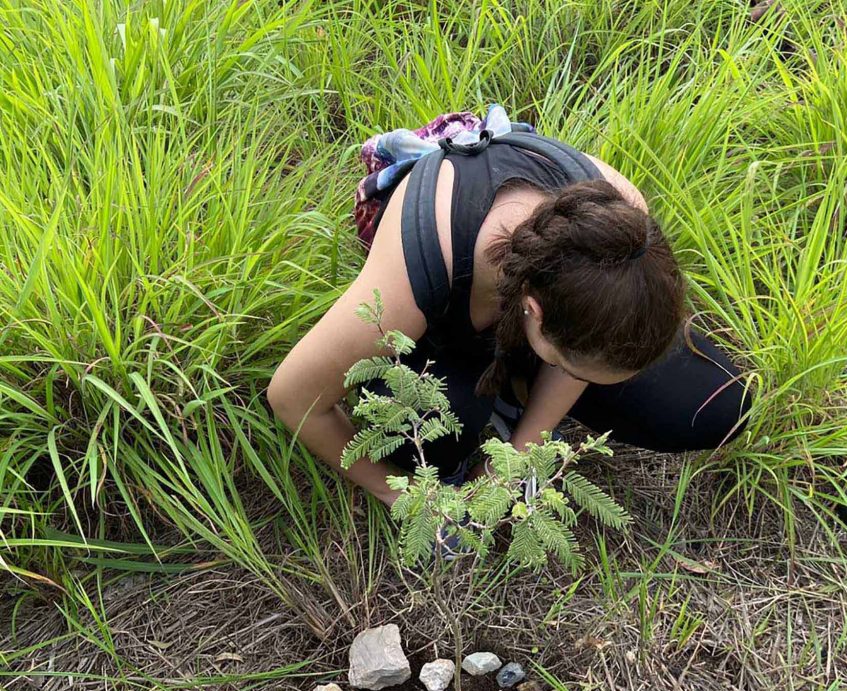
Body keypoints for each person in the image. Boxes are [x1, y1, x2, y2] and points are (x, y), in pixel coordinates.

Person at [268, 111, 751, 508]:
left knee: (720, 405)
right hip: (450, 313)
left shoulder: (626, 219)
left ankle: (517, 394)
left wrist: (514, 459)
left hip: (548, 315)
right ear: (534, 311)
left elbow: (587, 341)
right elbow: (292, 397)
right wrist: (404, 497)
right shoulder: (412, 279)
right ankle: (497, 393)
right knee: (436, 432)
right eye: (568, 366)